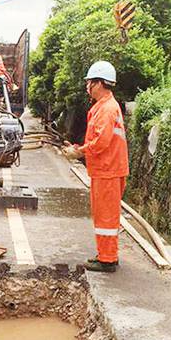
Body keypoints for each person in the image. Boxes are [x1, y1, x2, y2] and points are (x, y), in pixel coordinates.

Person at [66, 61, 129, 272]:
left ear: (99, 83)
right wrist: (79, 148)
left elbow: (101, 142)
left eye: (89, 82)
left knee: (106, 216)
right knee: (104, 214)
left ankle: (108, 260)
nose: (87, 86)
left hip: (108, 170)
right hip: (106, 169)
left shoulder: (107, 109)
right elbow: (99, 140)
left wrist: (79, 152)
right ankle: (105, 254)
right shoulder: (104, 107)